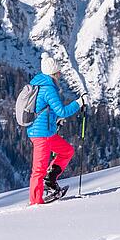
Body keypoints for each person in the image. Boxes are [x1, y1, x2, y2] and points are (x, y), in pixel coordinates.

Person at [27, 55, 87, 205]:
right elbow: (62, 111)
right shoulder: (48, 89)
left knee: (67, 151)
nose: (60, 75)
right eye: (58, 72)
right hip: (42, 135)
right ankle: (35, 202)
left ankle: (50, 179)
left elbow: (45, 109)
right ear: (53, 73)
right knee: (38, 169)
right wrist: (79, 102)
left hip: (46, 132)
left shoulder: (39, 84)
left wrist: (55, 119)